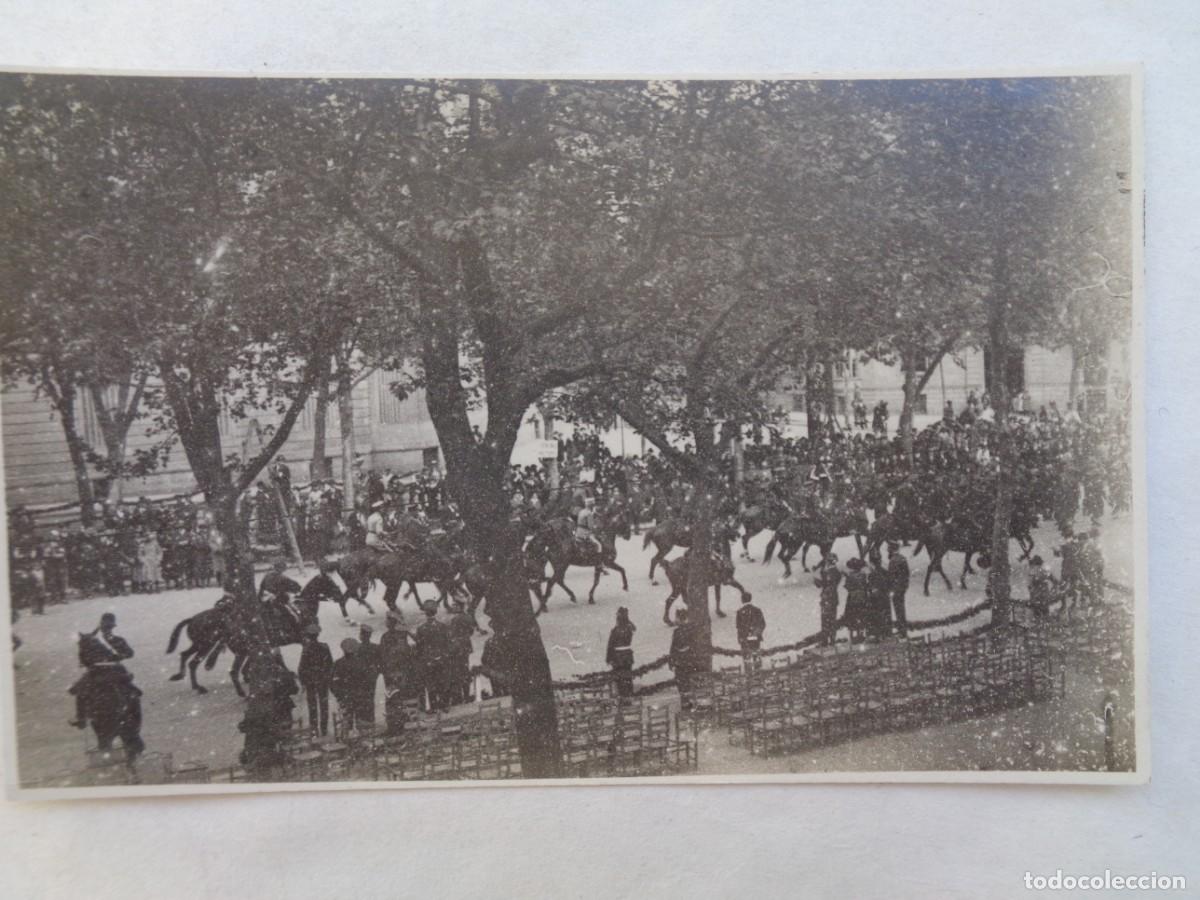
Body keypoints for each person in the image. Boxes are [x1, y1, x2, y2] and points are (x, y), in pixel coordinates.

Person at [68, 612, 140, 730]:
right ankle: (81, 718)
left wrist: (118, 656)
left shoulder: (92, 639)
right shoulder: (109, 639)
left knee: (81, 691)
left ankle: (81, 718)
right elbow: (130, 654)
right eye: (107, 626)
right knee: (81, 691)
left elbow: (83, 658)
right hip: (112, 670)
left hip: (102, 671)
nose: (107, 629)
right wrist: (119, 655)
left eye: (108, 626)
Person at [297, 623, 333, 736]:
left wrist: (303, 682)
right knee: (324, 704)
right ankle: (324, 729)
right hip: (322, 679)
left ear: (308, 635)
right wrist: (328, 677)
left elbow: (301, 667)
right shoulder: (324, 647)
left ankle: (314, 729)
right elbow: (330, 664)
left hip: (310, 681)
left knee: (312, 705)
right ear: (318, 635)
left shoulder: (306, 649)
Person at [415, 603, 452, 712]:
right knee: (443, 682)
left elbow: (419, 647)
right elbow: (447, 643)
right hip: (442, 658)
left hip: (428, 660)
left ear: (426, 614)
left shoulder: (421, 628)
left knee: (431, 683)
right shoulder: (442, 626)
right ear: (435, 613)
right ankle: (444, 705)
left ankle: (434, 706)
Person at [330, 638, 362, 734]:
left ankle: (347, 741)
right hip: (358, 696)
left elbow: (333, 683)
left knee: (346, 722)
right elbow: (366, 681)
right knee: (360, 722)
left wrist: (338, 696)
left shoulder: (338, 663)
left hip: (344, 697)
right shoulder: (360, 663)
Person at [668, 608, 697, 710]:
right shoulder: (692, 629)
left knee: (682, 683)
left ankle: (685, 704)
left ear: (679, 618)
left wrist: (671, 662)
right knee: (688, 682)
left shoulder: (677, 631)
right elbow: (694, 644)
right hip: (689, 660)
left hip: (680, 661)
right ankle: (691, 702)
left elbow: (673, 647)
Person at [605, 607, 636, 699]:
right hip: (628, 656)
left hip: (618, 657)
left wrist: (608, 658)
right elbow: (634, 627)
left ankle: (623, 697)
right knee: (628, 677)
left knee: (619, 678)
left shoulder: (615, 630)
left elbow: (610, 645)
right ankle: (629, 695)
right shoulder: (629, 628)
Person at [813, 552, 843, 646]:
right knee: (831, 619)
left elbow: (824, 584)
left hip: (827, 598)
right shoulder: (835, 572)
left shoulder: (830, 572)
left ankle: (826, 640)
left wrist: (816, 579)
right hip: (832, 598)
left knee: (826, 619)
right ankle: (831, 639)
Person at [447, 606, 476, 705]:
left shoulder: (454, 620)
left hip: (456, 648)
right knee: (465, 669)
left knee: (457, 672)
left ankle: (459, 697)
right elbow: (471, 631)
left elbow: (451, 634)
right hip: (466, 647)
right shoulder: (468, 617)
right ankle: (467, 695)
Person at [355, 624, 381, 727]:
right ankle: (371, 720)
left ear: (362, 635)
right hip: (371, 677)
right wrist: (376, 672)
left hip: (360, 678)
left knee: (360, 699)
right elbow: (380, 662)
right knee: (370, 698)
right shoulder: (375, 647)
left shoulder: (357, 648)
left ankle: (362, 721)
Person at [735, 593, 766, 672]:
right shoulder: (757, 610)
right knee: (756, 657)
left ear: (742, 600)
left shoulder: (740, 612)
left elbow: (738, 627)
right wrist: (756, 633)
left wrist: (740, 638)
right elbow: (762, 624)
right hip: (755, 638)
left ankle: (748, 675)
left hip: (744, 638)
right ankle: (758, 674)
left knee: (746, 658)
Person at [842, 558, 870, 643]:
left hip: (853, 598)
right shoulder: (863, 575)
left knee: (852, 616)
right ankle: (861, 633)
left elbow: (847, 586)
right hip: (862, 597)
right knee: (861, 615)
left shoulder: (850, 575)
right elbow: (865, 586)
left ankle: (852, 635)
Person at [886, 541, 910, 638]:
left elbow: (891, 577)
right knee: (901, 609)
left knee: (898, 610)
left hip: (896, 589)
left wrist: (890, 588)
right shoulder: (902, 558)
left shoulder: (893, 561)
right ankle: (903, 630)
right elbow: (906, 574)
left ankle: (902, 631)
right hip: (902, 587)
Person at [867, 553, 892, 642]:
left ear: (871, 562)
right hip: (885, 598)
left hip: (876, 600)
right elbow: (890, 584)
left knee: (877, 617)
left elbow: (872, 589)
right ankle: (887, 634)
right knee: (886, 616)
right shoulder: (885, 572)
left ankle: (877, 635)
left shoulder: (872, 575)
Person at [1028, 555, 1054, 621]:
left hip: (1037, 594)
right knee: (1044, 610)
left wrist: (1031, 592)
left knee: (1037, 611)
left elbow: (1030, 585)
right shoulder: (1044, 570)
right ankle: (1044, 622)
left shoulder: (1032, 570)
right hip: (1043, 593)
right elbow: (1053, 579)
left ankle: (1038, 622)